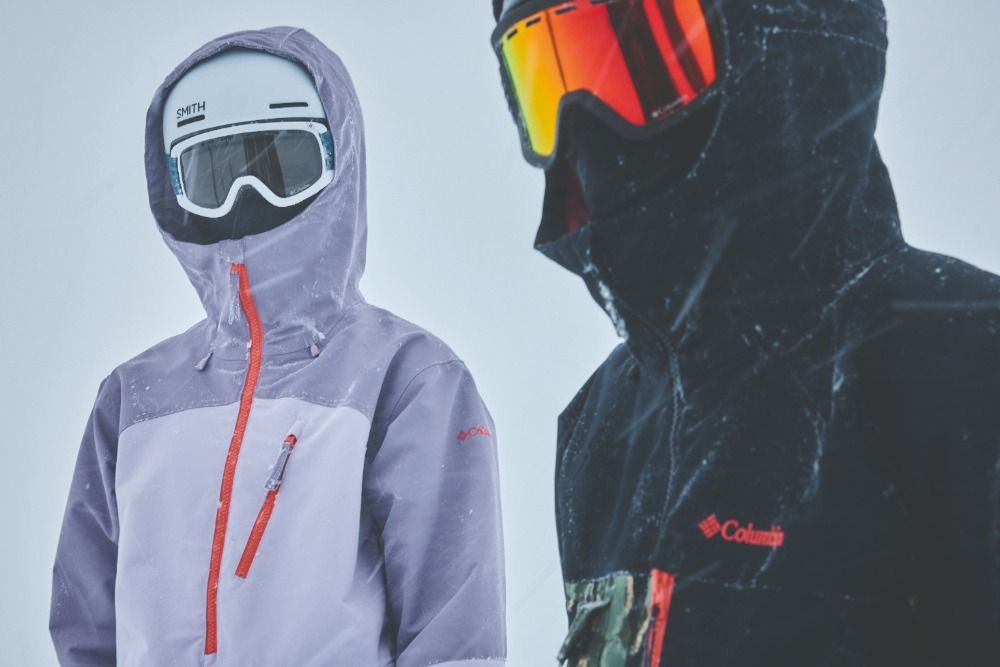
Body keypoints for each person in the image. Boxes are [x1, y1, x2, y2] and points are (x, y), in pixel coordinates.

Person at [489, 0, 999, 664]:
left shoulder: (969, 364)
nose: (585, 124)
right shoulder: (603, 428)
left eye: (644, 57)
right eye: (545, 73)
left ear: (780, 37)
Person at [50, 27, 506, 667]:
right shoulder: (132, 399)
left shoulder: (406, 377)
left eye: (280, 166)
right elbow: (87, 631)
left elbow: (453, 638)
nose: (248, 197)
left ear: (337, 165)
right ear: (177, 193)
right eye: (215, 176)